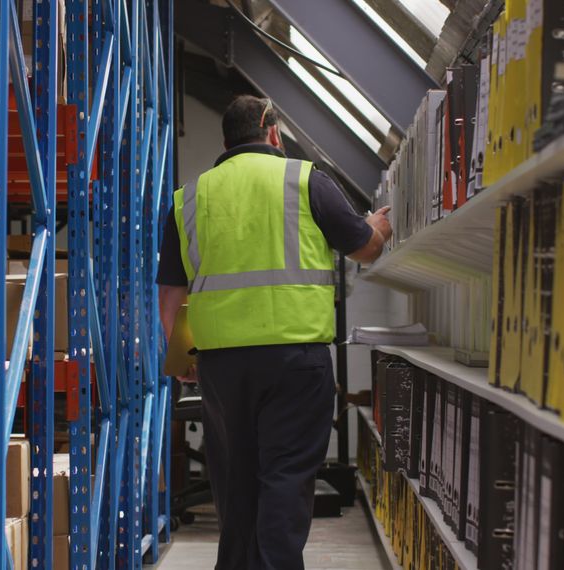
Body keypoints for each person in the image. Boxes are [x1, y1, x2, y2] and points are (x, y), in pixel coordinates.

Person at [156, 95, 392, 570]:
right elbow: (364, 250)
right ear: (273, 133)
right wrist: (378, 227)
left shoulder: (189, 198)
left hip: (221, 369)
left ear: (225, 143)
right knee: (284, 480)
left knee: (235, 486)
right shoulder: (305, 181)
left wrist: (178, 364)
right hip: (295, 362)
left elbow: (168, 300)